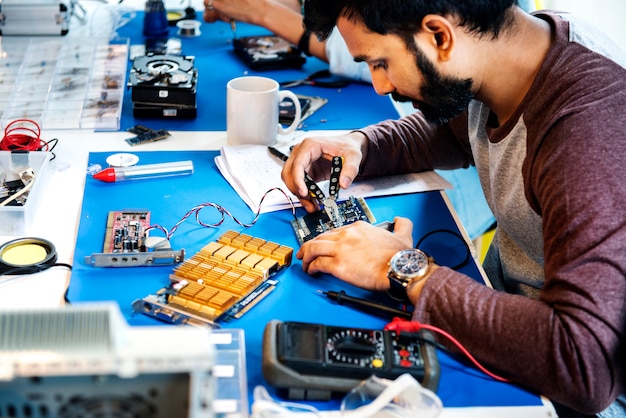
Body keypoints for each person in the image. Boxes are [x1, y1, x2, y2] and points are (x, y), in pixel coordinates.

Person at [279, 0, 626, 417]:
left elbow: (585, 362)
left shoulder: (586, 132)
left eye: (380, 62)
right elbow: (452, 128)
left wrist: (403, 266)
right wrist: (360, 145)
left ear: (440, 36)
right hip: (503, 308)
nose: (380, 86)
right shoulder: (507, 55)